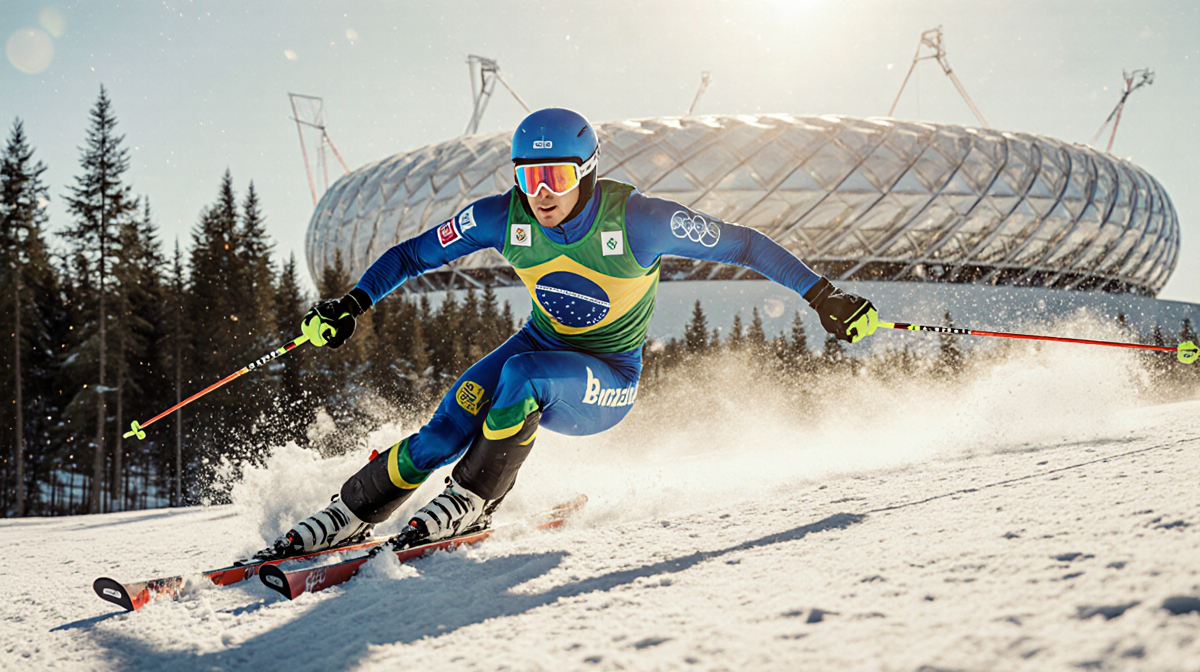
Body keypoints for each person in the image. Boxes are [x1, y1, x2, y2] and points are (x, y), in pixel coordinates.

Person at [257, 108, 878, 558]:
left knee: (522, 377)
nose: (542, 194)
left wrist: (824, 296)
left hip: (605, 381)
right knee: (443, 429)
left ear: (586, 173)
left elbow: (743, 243)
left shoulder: (638, 219)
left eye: (555, 177)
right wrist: (353, 303)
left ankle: (472, 499)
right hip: (539, 346)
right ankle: (349, 512)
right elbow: (413, 254)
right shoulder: (502, 217)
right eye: (529, 178)